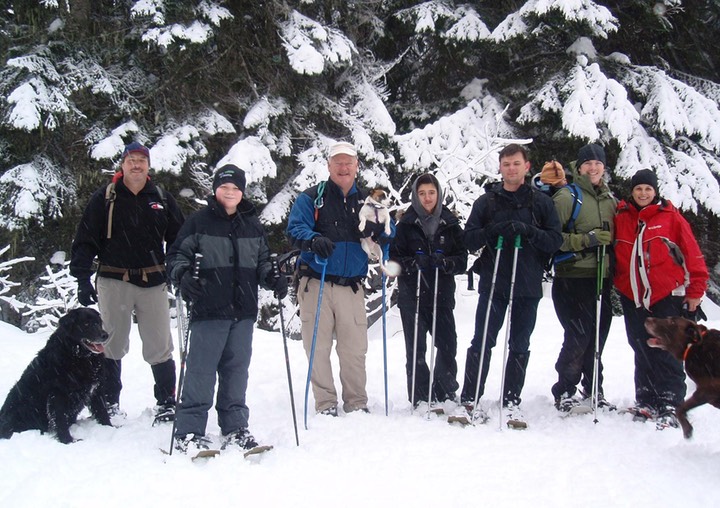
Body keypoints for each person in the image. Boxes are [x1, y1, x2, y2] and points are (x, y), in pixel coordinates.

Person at [166, 164, 287, 452]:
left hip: (243, 311)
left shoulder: (251, 224)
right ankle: (190, 431)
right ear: (215, 189)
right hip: (209, 308)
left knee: (236, 371)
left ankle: (235, 427)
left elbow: (262, 262)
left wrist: (272, 278)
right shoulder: (199, 222)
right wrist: (182, 276)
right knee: (201, 371)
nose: (230, 192)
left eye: (235, 188)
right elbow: (176, 256)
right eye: (224, 187)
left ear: (242, 192)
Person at [71, 141, 184, 422]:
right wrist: (82, 278)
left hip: (153, 280)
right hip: (114, 280)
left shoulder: (161, 198)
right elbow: (85, 239)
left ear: (148, 166)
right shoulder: (106, 197)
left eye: (141, 160)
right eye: (131, 159)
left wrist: (178, 267)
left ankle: (167, 401)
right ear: (122, 164)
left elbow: (180, 239)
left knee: (160, 344)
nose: (136, 164)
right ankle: (108, 402)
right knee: (110, 343)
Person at [286, 141, 394, 417]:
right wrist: (313, 240)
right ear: (329, 166)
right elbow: (295, 229)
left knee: (354, 349)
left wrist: (382, 235)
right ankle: (325, 404)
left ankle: (357, 402)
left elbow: (387, 233)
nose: (344, 168)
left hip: (351, 286)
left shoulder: (370, 202)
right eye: (338, 163)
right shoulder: (312, 198)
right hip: (316, 281)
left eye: (349, 162)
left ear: (357, 166)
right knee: (317, 348)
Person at [460, 144, 562, 419]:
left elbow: (555, 240)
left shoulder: (540, 202)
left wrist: (530, 232)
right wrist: (491, 231)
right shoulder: (488, 201)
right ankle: (470, 396)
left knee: (519, 343)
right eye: (506, 164)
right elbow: (469, 239)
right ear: (500, 167)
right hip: (494, 282)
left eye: (516, 163)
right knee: (482, 340)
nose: (511, 169)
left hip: (527, 283)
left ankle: (511, 398)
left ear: (527, 167)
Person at [614, 169, 708, 427]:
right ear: (632, 192)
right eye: (638, 189)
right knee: (641, 346)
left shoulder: (671, 218)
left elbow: (693, 254)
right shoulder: (622, 217)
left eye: (648, 189)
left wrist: (695, 292)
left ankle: (670, 403)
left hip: (665, 295)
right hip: (632, 295)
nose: (643, 193)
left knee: (667, 349)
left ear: (655, 192)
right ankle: (646, 399)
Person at [389, 173, 467, 408]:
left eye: (431, 193)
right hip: (412, 296)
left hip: (441, 294)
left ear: (439, 194)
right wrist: (412, 264)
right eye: (422, 193)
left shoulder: (450, 223)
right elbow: (393, 259)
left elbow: (462, 258)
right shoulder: (405, 224)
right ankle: (420, 395)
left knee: (447, 343)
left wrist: (447, 263)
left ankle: (444, 390)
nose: (427, 198)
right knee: (416, 348)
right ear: (415, 195)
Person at [550, 143, 616, 412]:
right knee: (578, 335)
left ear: (603, 167)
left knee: (598, 335)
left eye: (597, 163)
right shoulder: (567, 197)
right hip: (572, 277)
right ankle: (565, 389)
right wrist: (586, 239)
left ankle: (594, 389)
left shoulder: (610, 200)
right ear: (579, 168)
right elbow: (551, 238)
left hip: (601, 277)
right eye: (587, 163)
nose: (593, 167)